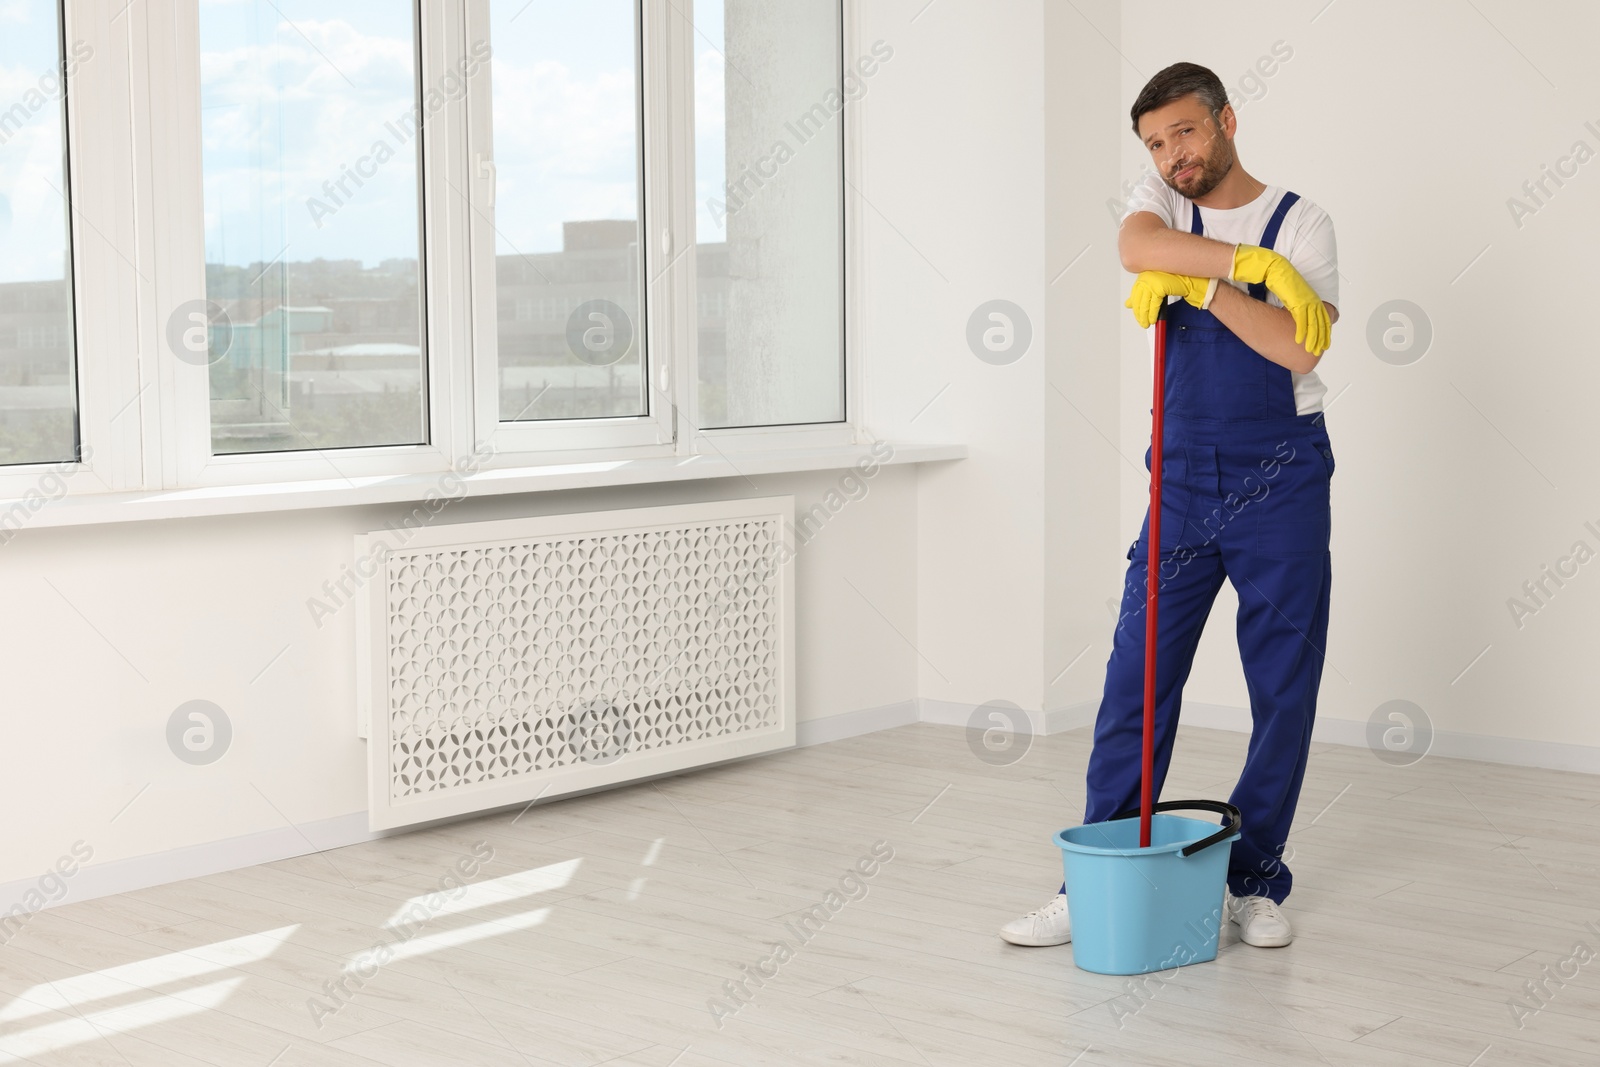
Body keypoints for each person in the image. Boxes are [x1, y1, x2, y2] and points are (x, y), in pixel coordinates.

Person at [1000, 61, 1339, 950]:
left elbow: (1296, 348)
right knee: (1134, 682)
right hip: (1182, 484)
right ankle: (1095, 875)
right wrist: (1236, 270)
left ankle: (1253, 879)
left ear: (1226, 120)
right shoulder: (1164, 197)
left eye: (1186, 132)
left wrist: (1207, 284)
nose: (1173, 154)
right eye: (1156, 142)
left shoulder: (1301, 221)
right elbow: (1134, 247)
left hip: (1284, 480)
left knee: (1284, 689)